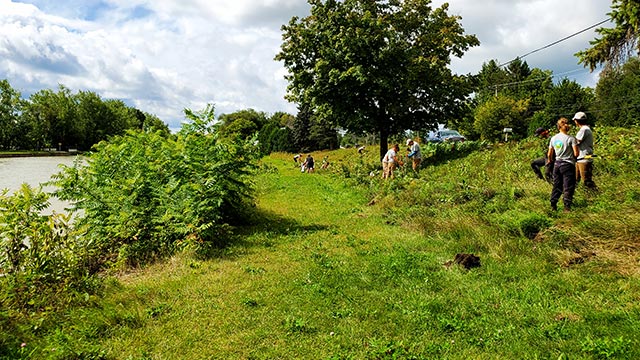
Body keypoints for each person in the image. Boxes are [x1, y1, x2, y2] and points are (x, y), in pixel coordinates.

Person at [548, 117, 579, 212]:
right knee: (568, 186)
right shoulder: (571, 138)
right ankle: (567, 207)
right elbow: (576, 153)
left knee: (557, 185)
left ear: (558, 127)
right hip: (568, 164)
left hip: (557, 164)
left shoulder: (553, 138)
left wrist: (550, 161)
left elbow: (549, 154)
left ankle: (553, 204)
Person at [573, 111, 597, 190]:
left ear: (576, 121)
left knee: (586, 181)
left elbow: (576, 142)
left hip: (584, 157)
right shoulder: (586, 129)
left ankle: (594, 194)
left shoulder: (584, 130)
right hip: (581, 158)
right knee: (575, 179)